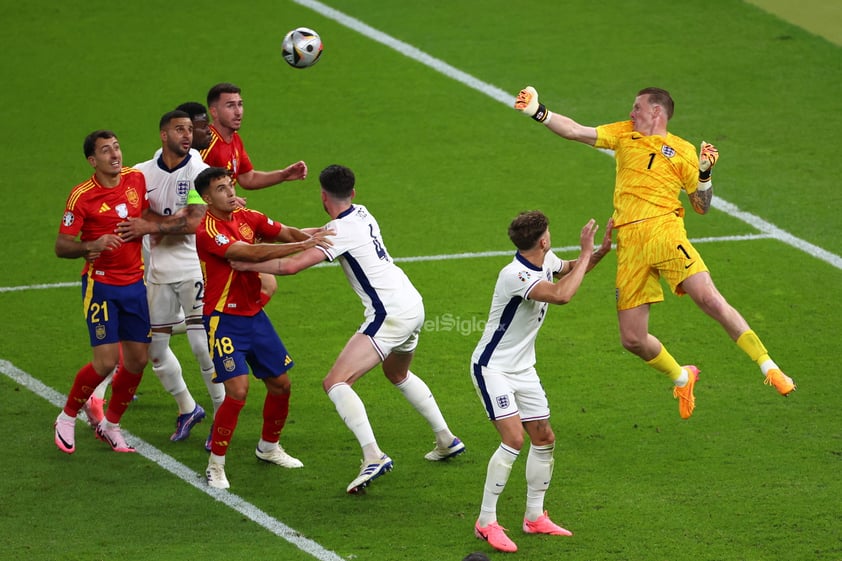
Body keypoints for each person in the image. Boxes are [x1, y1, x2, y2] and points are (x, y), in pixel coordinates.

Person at [514, 86, 795, 419]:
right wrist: (538, 111)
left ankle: (769, 366)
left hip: (664, 231)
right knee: (632, 339)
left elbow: (701, 205)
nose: (631, 113)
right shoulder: (623, 134)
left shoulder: (682, 149)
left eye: (637, 107)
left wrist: (704, 174)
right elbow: (575, 130)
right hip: (630, 243)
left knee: (708, 298)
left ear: (657, 111)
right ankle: (682, 376)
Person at [231, 164, 465, 495]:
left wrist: (247, 262)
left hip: (389, 314)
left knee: (335, 382)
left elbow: (291, 265)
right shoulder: (362, 214)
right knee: (397, 373)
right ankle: (446, 439)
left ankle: (373, 456)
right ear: (352, 193)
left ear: (323, 196)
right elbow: (312, 236)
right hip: (413, 303)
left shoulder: (338, 231)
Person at [470, 211, 611, 553]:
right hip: (493, 368)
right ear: (543, 239)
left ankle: (534, 517)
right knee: (514, 438)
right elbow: (562, 294)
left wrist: (601, 251)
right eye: (549, 232)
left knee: (543, 437)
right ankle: (486, 521)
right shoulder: (514, 275)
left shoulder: (545, 257)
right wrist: (588, 247)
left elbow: (571, 270)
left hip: (524, 368)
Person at [193, 166, 331, 489]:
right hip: (223, 319)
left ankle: (268, 447)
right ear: (207, 197)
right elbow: (248, 253)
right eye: (222, 189)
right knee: (238, 391)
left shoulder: (248, 216)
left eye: (230, 185)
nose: (230, 192)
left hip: (254, 317)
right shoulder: (208, 230)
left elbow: (286, 231)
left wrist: (319, 240)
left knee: (281, 384)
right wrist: (303, 246)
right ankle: (216, 464)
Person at [113, 110, 225, 443]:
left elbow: (193, 221)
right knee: (156, 350)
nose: (187, 135)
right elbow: (129, 208)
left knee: (201, 346)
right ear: (164, 135)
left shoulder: (199, 171)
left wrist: (150, 225)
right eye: (179, 129)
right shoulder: (140, 174)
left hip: (193, 266)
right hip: (158, 273)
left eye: (190, 129)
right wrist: (155, 220)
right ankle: (188, 408)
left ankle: (222, 419)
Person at [53, 130, 151, 454]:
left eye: (117, 147)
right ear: (93, 161)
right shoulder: (82, 196)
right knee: (106, 361)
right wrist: (90, 245)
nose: (115, 154)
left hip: (135, 284)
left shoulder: (136, 180)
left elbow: (147, 215)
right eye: (106, 151)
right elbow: (61, 245)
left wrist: (146, 227)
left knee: (137, 360)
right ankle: (67, 417)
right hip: (102, 285)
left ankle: (110, 425)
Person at [201, 82, 308, 307]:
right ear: (214, 111)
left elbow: (247, 178)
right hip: (213, 229)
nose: (238, 111)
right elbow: (188, 189)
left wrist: (283, 174)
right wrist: (221, 200)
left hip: (230, 220)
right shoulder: (207, 146)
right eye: (230, 105)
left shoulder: (234, 140)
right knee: (258, 285)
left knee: (262, 285)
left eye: (240, 104)